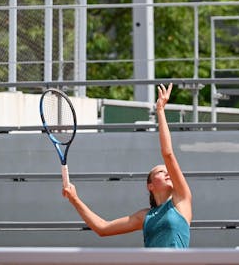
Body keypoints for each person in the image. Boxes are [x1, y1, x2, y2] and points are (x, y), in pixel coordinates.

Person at [62, 82, 192, 248]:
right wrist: (74, 199)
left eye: (168, 171)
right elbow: (103, 228)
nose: (168, 173)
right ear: (150, 186)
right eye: (161, 171)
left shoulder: (181, 199)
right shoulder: (145, 216)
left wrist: (160, 110)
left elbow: (168, 153)